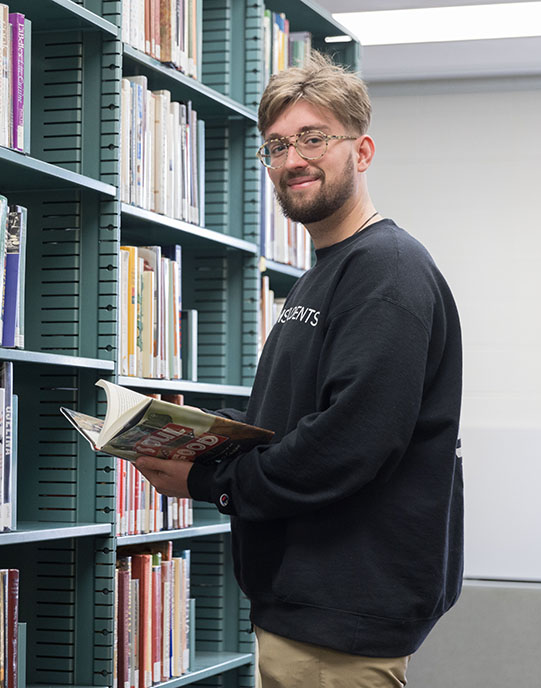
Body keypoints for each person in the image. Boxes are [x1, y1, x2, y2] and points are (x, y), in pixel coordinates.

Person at [136, 51, 463, 688]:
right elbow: (300, 421)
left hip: (339, 621)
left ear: (362, 151)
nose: (292, 160)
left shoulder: (386, 271)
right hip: (305, 610)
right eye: (277, 145)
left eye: (313, 138)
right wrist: (197, 430)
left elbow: (347, 445)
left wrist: (209, 483)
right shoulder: (324, 274)